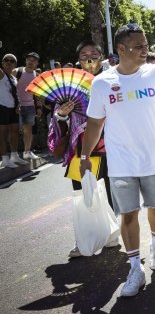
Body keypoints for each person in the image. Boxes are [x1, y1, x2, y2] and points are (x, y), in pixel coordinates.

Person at [80, 24, 155, 297]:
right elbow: (94, 124)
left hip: (152, 159)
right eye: (139, 46)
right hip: (121, 163)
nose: (145, 50)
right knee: (128, 214)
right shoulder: (102, 83)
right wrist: (84, 155)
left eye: (145, 44)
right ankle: (134, 268)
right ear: (121, 49)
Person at [46, 40, 117, 258]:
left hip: (111, 146)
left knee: (110, 191)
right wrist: (62, 114)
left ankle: (111, 233)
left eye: (94, 53)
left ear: (101, 56)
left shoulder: (113, 80)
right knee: (81, 193)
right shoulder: (70, 85)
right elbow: (59, 122)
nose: (89, 57)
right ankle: (84, 238)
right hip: (80, 149)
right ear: (79, 59)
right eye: (84, 54)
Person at [0, 54, 27, 168]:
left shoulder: (14, 78)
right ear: (2, 63)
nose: (9, 62)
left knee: (15, 132)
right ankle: (5, 158)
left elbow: (16, 94)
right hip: (2, 107)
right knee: (3, 133)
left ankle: (14, 156)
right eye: (6, 60)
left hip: (13, 109)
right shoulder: (1, 74)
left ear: (15, 65)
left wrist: (18, 105)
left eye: (12, 61)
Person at [14, 52, 41, 160]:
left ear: (37, 63)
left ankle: (27, 152)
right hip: (16, 106)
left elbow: (38, 93)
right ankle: (13, 154)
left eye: (33, 60)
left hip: (30, 106)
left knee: (28, 130)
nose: (30, 62)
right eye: (29, 59)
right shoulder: (17, 71)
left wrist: (38, 107)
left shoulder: (37, 76)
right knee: (14, 130)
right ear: (25, 61)